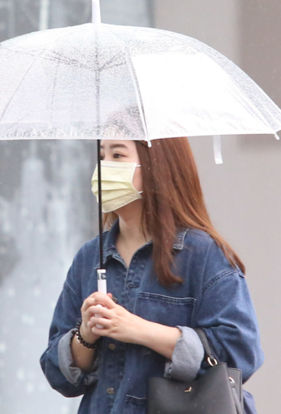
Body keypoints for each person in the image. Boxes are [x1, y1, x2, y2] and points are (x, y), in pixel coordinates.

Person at [40, 138, 264, 414]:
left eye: (118, 155)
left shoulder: (203, 254)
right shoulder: (89, 257)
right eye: (101, 155)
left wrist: (138, 329)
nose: (104, 167)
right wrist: (86, 334)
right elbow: (57, 373)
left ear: (156, 166)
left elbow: (240, 354)